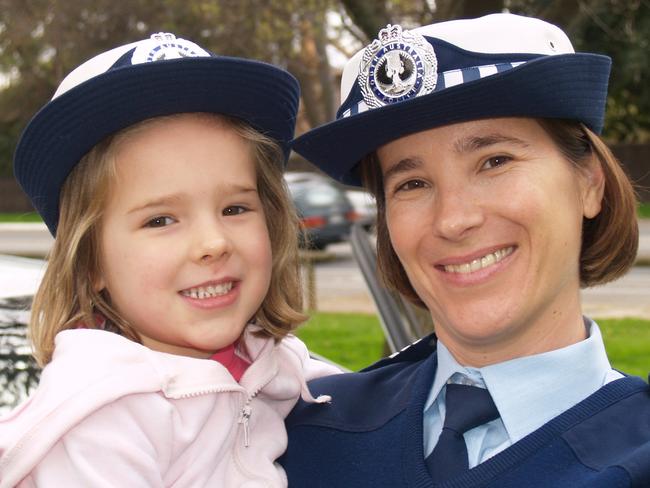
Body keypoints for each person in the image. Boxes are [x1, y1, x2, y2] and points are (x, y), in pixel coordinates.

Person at [280, 13, 649, 487]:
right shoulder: (300, 433)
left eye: (495, 161)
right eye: (412, 183)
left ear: (590, 183)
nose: (453, 219)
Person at [0, 33, 339, 487]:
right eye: (161, 220)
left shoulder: (273, 363)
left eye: (234, 209)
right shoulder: (100, 420)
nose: (213, 243)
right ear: (90, 262)